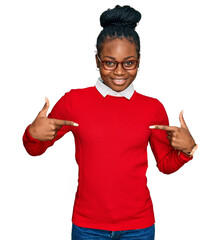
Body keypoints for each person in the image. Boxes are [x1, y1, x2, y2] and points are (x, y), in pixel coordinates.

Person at [23, 5, 198, 240]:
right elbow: (35, 149)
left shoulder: (152, 108)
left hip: (139, 226)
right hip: (88, 226)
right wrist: (32, 134)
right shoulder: (74, 102)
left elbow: (165, 164)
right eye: (109, 62)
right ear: (97, 60)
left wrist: (187, 150)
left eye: (129, 63)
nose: (119, 71)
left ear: (139, 61)